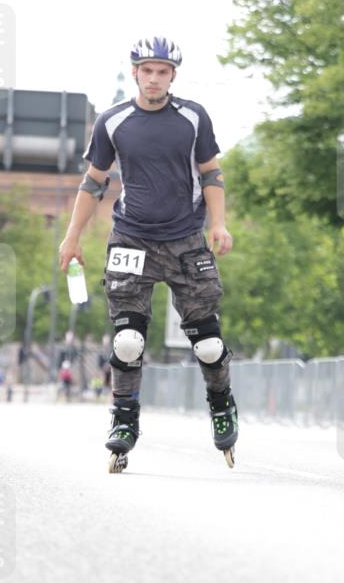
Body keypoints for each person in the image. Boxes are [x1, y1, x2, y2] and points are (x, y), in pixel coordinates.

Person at [59, 35, 238, 468]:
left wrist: (218, 223)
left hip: (185, 239)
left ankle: (221, 404)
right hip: (131, 239)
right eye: (147, 71)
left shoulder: (193, 118)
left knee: (209, 346)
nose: (154, 79)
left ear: (173, 75)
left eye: (162, 72)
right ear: (135, 71)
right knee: (127, 340)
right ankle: (123, 420)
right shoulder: (113, 121)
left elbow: (211, 172)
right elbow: (93, 181)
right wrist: (72, 237)